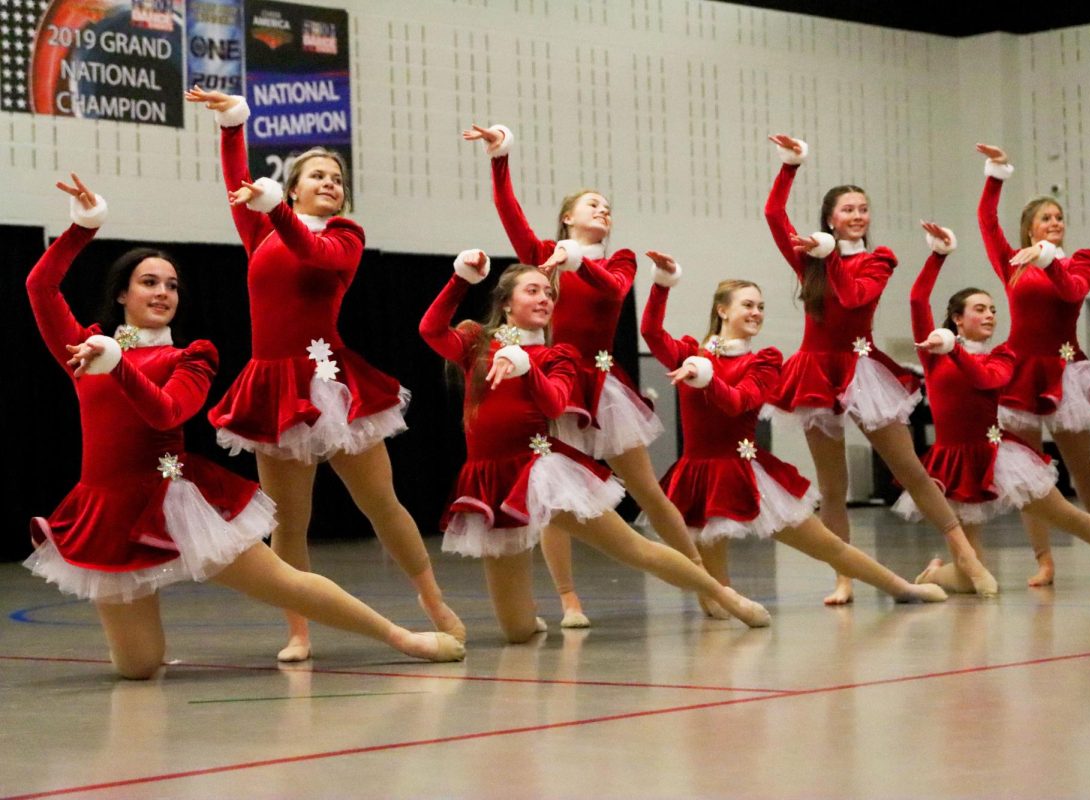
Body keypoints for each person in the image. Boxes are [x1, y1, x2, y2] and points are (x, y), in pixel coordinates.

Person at [23, 175, 463, 678]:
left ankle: (403, 637)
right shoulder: (86, 350)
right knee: (137, 668)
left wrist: (118, 364)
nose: (164, 292)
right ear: (122, 293)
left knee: (286, 581)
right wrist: (83, 227)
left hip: (175, 500)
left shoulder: (189, 356)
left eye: (172, 285)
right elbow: (40, 286)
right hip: (107, 510)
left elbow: (166, 412)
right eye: (150, 282)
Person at [185, 88, 463, 661]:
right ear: (293, 185)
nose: (330, 182)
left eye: (336, 177)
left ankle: (434, 602)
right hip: (271, 386)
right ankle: (299, 629)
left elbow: (317, 256)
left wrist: (278, 209)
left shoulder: (346, 235)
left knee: (381, 503)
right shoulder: (260, 229)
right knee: (289, 520)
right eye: (317, 175)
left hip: (328, 380)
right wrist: (234, 123)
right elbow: (238, 183)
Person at [419, 250, 772, 642]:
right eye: (532, 291)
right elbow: (431, 330)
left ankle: (726, 597)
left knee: (634, 549)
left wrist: (526, 366)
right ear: (505, 303)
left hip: (542, 471)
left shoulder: (559, 354)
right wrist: (460, 279)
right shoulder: (475, 342)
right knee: (517, 632)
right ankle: (529, 617)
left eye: (549, 295)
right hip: (489, 479)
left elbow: (555, 402)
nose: (544, 300)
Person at [463, 122, 719, 622]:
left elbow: (612, 289)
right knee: (556, 492)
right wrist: (501, 159)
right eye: (592, 204)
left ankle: (702, 579)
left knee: (647, 488)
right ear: (567, 217)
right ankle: (567, 598)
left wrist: (577, 259)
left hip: (602, 388)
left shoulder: (617, 259)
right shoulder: (544, 259)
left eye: (607, 208)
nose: (603, 210)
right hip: (551, 382)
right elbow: (509, 214)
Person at [764, 134, 997, 601]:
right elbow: (773, 215)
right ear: (830, 217)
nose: (856, 216)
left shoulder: (879, 258)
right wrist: (791, 165)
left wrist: (830, 255)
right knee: (833, 488)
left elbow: (853, 297)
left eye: (862, 209)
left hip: (864, 370)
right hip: (815, 372)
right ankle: (844, 577)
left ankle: (967, 559)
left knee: (910, 469)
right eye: (847, 209)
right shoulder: (810, 262)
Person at [640, 252, 947, 604]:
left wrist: (705, 377)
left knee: (827, 545)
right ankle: (723, 606)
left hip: (746, 476)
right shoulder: (690, 353)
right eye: (748, 305)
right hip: (698, 477)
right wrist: (662, 285)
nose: (756, 313)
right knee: (713, 596)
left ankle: (902, 587)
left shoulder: (764, 361)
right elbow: (650, 331)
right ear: (722, 310)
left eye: (761, 306)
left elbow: (738, 402)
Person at [906, 223, 1090, 591]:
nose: (992, 315)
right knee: (972, 579)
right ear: (958, 318)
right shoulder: (932, 355)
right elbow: (917, 300)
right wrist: (938, 255)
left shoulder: (1005, 355)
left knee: (1071, 517)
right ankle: (939, 572)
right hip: (955, 466)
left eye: (995, 309)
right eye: (980, 309)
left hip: (1000, 456)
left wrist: (954, 349)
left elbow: (986, 381)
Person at [976, 143, 1090, 586]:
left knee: (1084, 470)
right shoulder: (1013, 264)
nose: (1055, 224)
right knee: (1028, 474)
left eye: (1059, 218)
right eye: (1046, 219)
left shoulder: (1081, 259)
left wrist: (1051, 260)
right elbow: (986, 221)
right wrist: (995, 175)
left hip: (1063, 372)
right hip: (1020, 372)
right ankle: (1044, 560)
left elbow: (1074, 292)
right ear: (1029, 229)